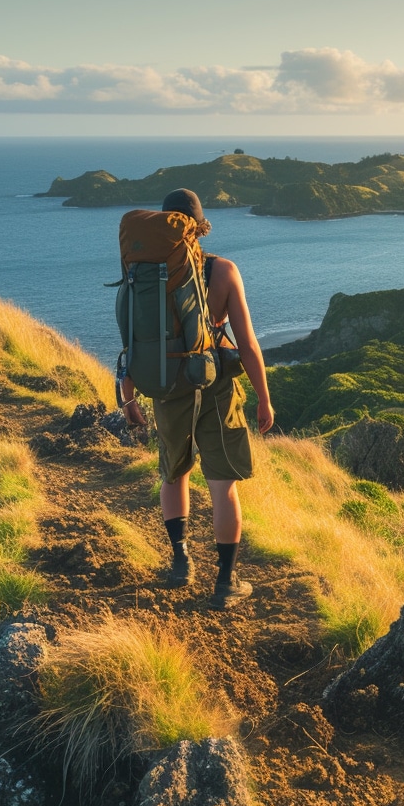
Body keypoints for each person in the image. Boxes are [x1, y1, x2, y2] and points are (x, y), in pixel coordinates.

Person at [121, 189, 275, 608]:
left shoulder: (146, 272)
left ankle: (180, 563)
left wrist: (128, 393)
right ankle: (225, 583)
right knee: (222, 485)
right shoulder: (223, 271)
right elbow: (247, 343)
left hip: (168, 386)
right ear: (200, 226)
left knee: (174, 473)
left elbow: (135, 337)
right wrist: (263, 397)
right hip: (216, 387)